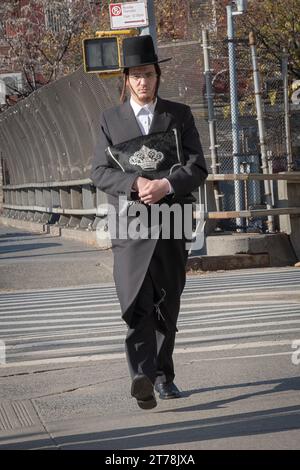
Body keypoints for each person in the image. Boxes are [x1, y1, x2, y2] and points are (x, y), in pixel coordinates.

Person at [91, 35, 208, 410]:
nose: (143, 81)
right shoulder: (111, 119)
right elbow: (97, 171)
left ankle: (163, 376)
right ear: (126, 78)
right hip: (129, 224)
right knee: (133, 298)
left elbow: (198, 167)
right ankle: (142, 375)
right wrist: (135, 183)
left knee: (166, 301)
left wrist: (166, 184)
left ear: (158, 76)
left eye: (149, 74)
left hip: (172, 220)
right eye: (136, 75)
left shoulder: (179, 115)